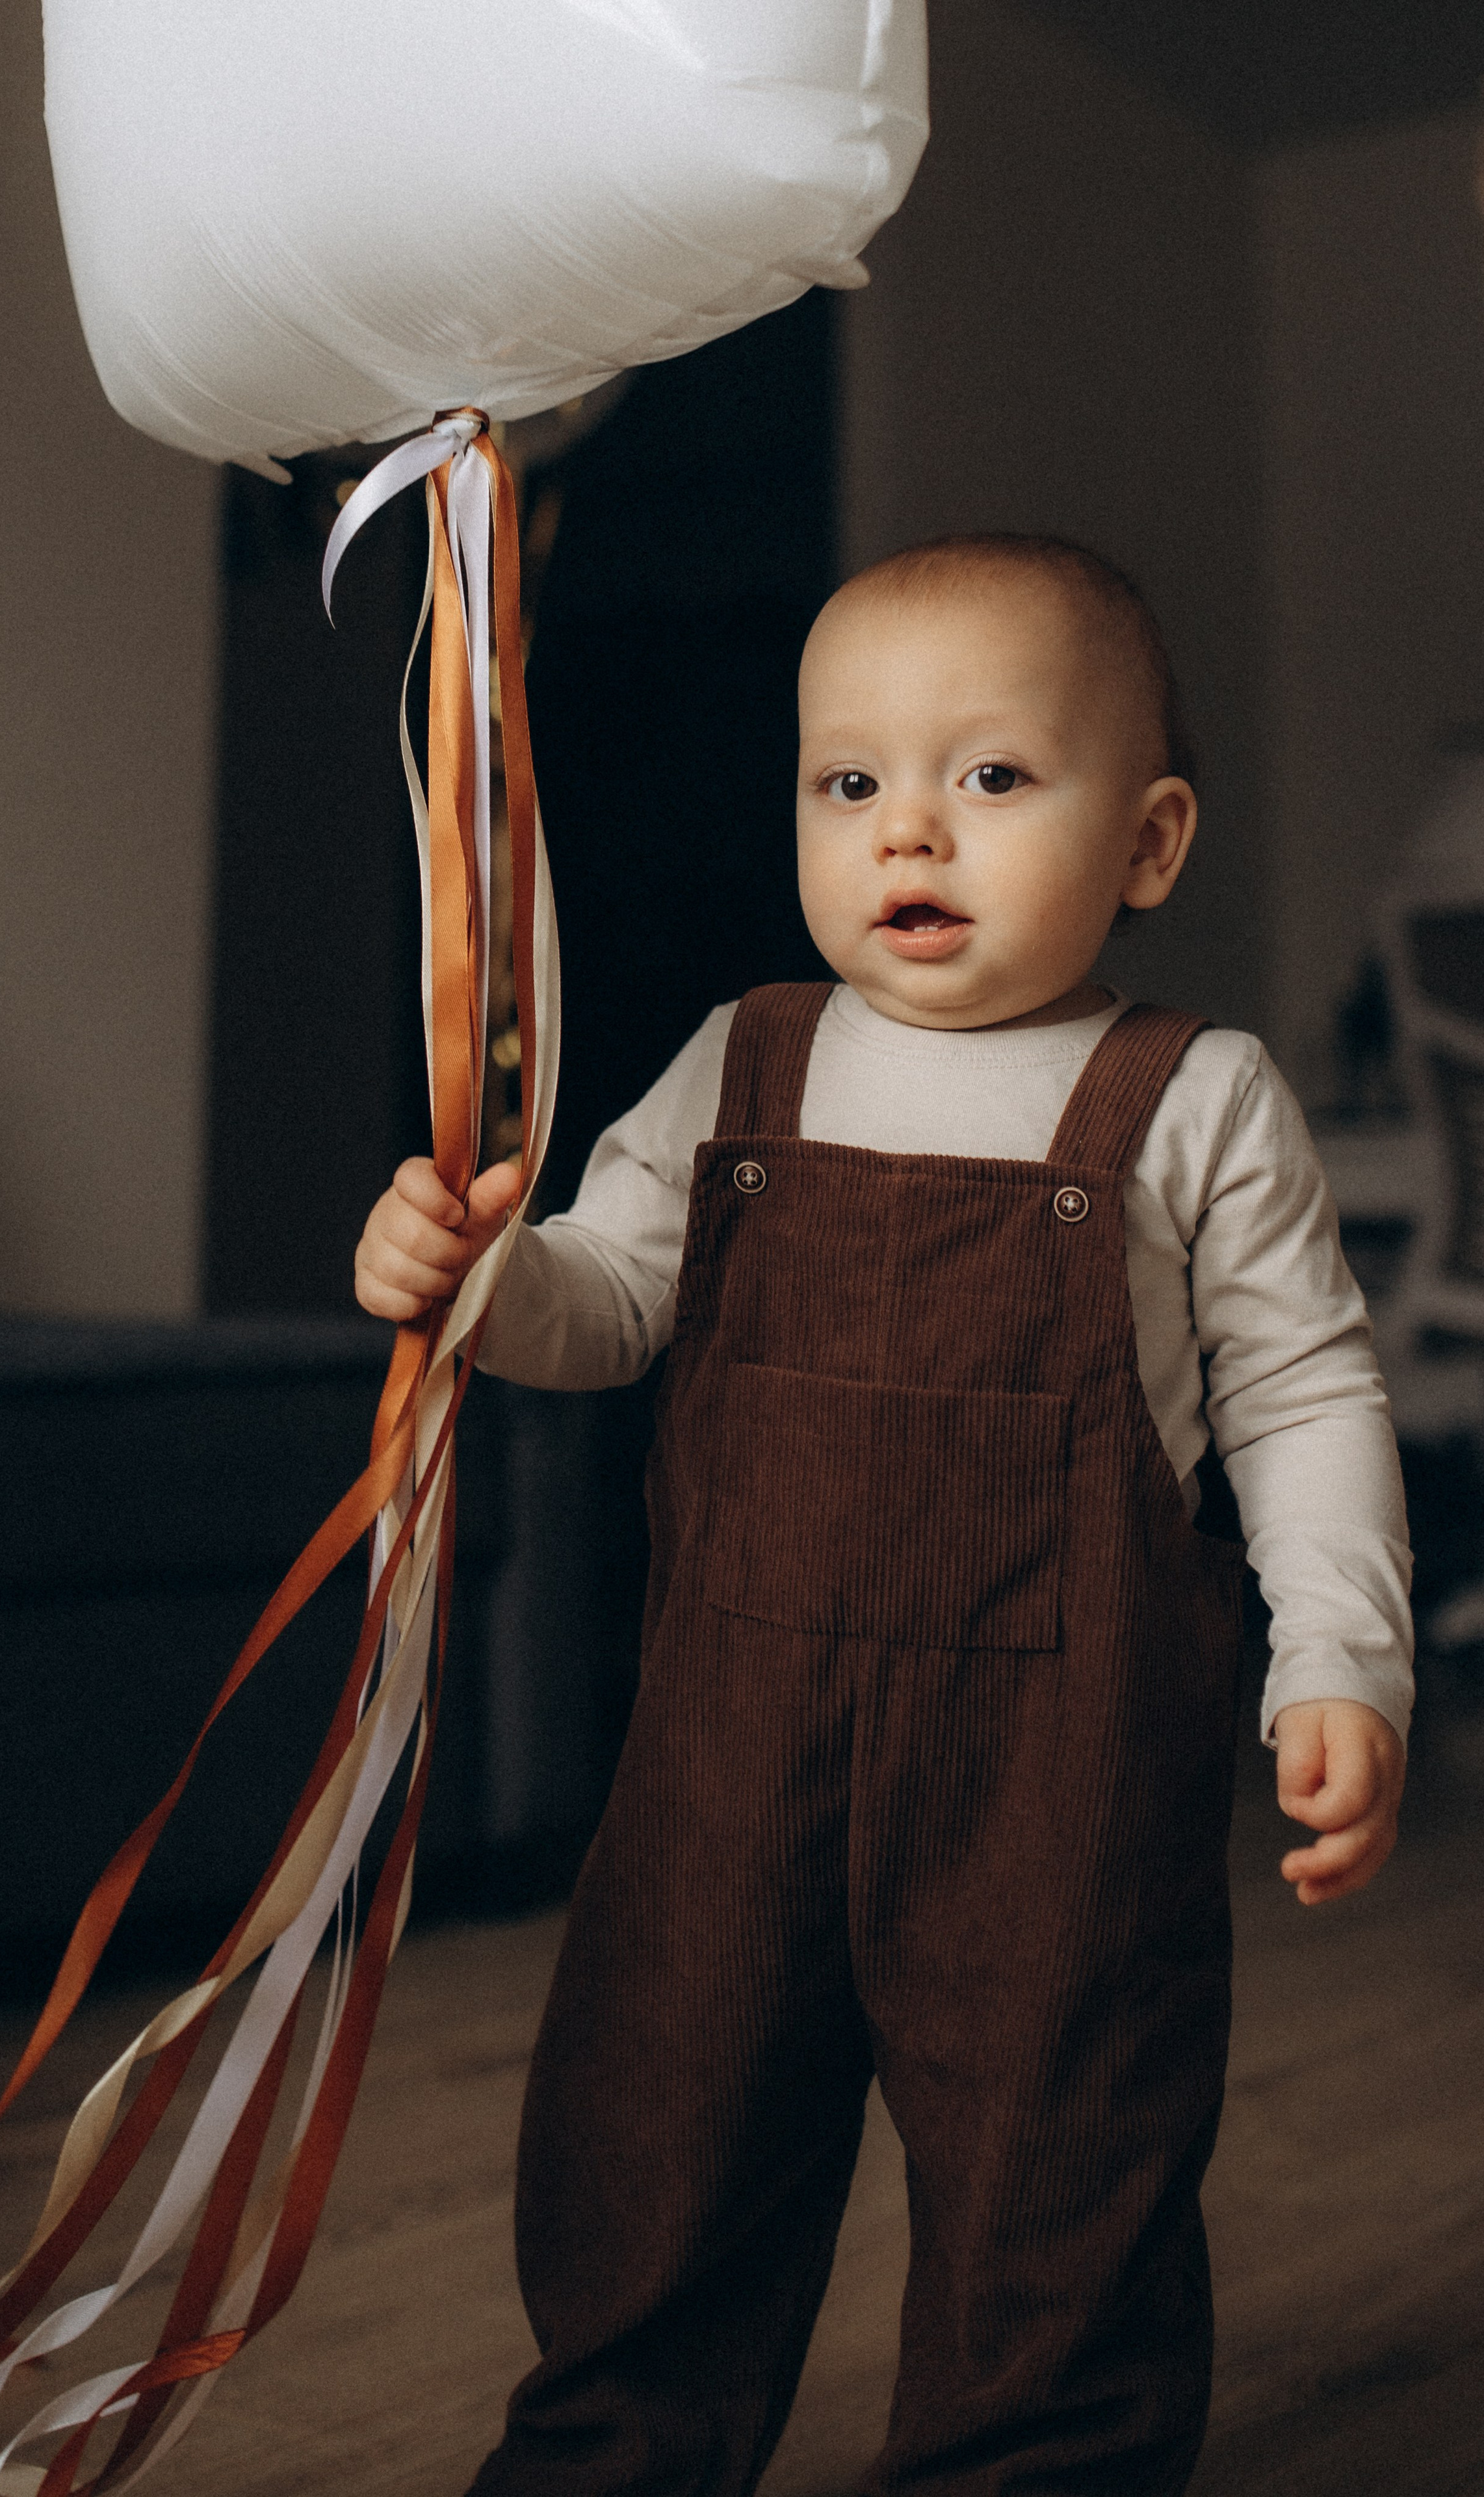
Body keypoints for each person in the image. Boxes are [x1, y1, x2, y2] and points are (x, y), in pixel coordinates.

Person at [355, 535, 1413, 2497]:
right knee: (656, 2129)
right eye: (850, 783)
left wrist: (1341, 1655)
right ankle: (612, 2447)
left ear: (1153, 840)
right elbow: (604, 1304)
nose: (909, 826)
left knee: (1058, 2163)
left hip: (1060, 1778)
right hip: (726, 1756)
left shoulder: (1188, 1100)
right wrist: (475, 1281)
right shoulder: (745, 1060)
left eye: (992, 777)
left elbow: (1305, 1390)